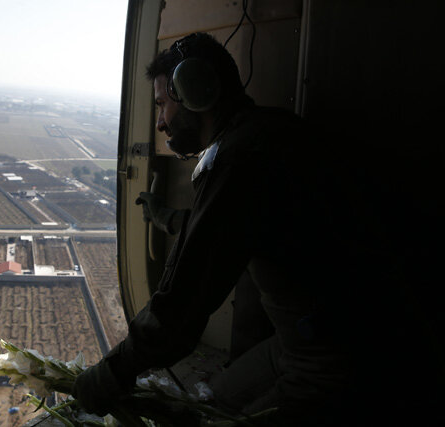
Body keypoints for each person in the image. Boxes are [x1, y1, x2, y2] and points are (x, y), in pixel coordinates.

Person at [72, 32, 443, 426]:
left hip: (341, 357)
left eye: (162, 104)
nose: (161, 122)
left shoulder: (240, 159)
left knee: (209, 412)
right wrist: (163, 217)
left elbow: (184, 299)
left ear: (195, 91)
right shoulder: (266, 133)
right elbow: (222, 231)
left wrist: (113, 370)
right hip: (309, 341)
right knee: (207, 400)